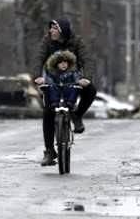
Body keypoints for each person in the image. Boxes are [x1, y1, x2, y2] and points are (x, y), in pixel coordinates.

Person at [34, 19, 97, 167]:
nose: (51, 31)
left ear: (62, 30)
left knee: (91, 91)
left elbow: (87, 59)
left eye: (55, 28)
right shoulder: (47, 41)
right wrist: (37, 76)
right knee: (48, 111)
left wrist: (86, 78)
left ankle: (77, 115)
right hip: (52, 78)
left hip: (72, 77)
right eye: (51, 28)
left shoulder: (76, 42)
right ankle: (49, 151)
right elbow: (38, 58)